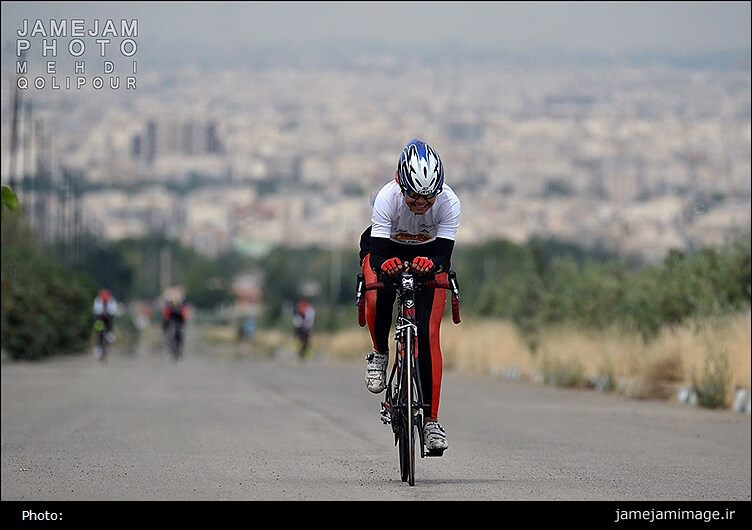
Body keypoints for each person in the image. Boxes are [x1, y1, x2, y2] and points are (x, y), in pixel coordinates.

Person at [358, 138, 461, 454]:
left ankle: (431, 421)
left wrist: (432, 265)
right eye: (414, 197)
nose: (420, 204)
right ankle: (379, 352)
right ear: (400, 185)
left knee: (429, 334)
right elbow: (376, 256)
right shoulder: (387, 199)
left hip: (429, 256)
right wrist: (383, 265)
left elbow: (444, 256)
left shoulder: (449, 203)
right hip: (387, 248)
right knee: (377, 296)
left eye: (428, 198)